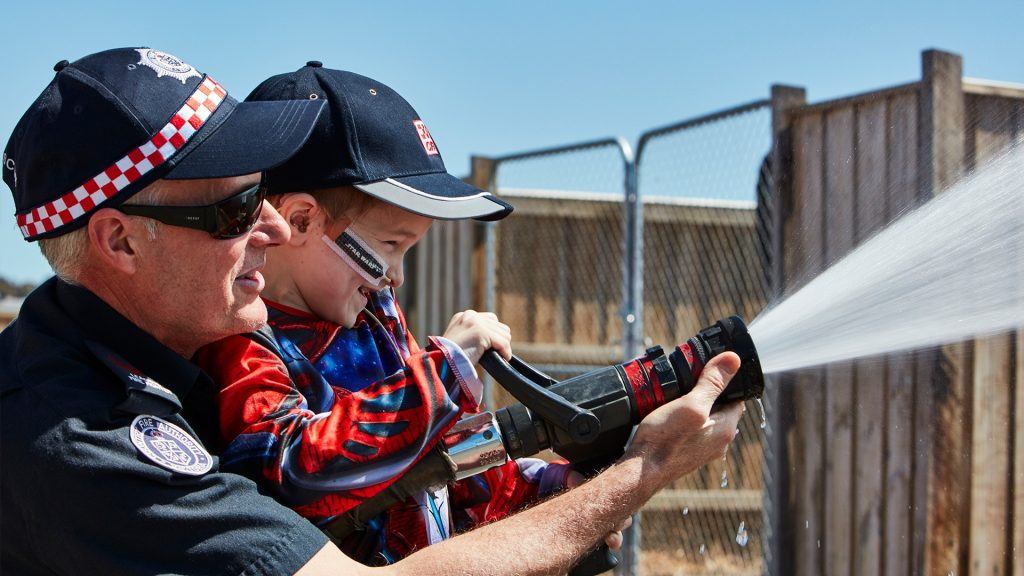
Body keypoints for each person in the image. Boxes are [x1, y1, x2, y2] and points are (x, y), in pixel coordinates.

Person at [0, 47, 745, 576]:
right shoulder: (82, 439)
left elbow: (452, 468)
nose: (269, 227)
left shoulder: (163, 357)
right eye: (233, 211)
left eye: (261, 197)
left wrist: (567, 486)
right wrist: (642, 472)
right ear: (120, 240)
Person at [195, 63, 590, 565]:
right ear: (298, 220)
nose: (396, 277)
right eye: (391, 244)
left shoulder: (374, 315)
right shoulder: (243, 339)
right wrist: (443, 370)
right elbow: (291, 470)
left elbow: (439, 456)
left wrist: (539, 485)